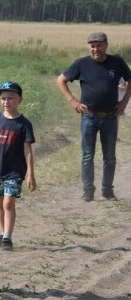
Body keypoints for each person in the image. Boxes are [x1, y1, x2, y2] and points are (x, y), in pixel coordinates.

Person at [56, 31, 131, 201]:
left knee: (109, 156)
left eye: (99, 45)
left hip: (110, 116)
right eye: (92, 46)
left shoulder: (117, 62)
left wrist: (124, 103)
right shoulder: (81, 64)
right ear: (89, 47)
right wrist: (73, 101)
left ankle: (107, 191)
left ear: (106, 45)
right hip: (89, 116)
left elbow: (129, 80)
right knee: (87, 155)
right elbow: (61, 80)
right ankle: (88, 191)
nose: (95, 49)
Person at [0, 81, 37, 251]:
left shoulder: (24, 124)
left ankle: (8, 238)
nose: (6, 101)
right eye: (3, 98)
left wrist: (31, 175)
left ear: (20, 100)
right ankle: (2, 234)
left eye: (11, 98)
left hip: (14, 171)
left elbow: (28, 151)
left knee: (9, 203)